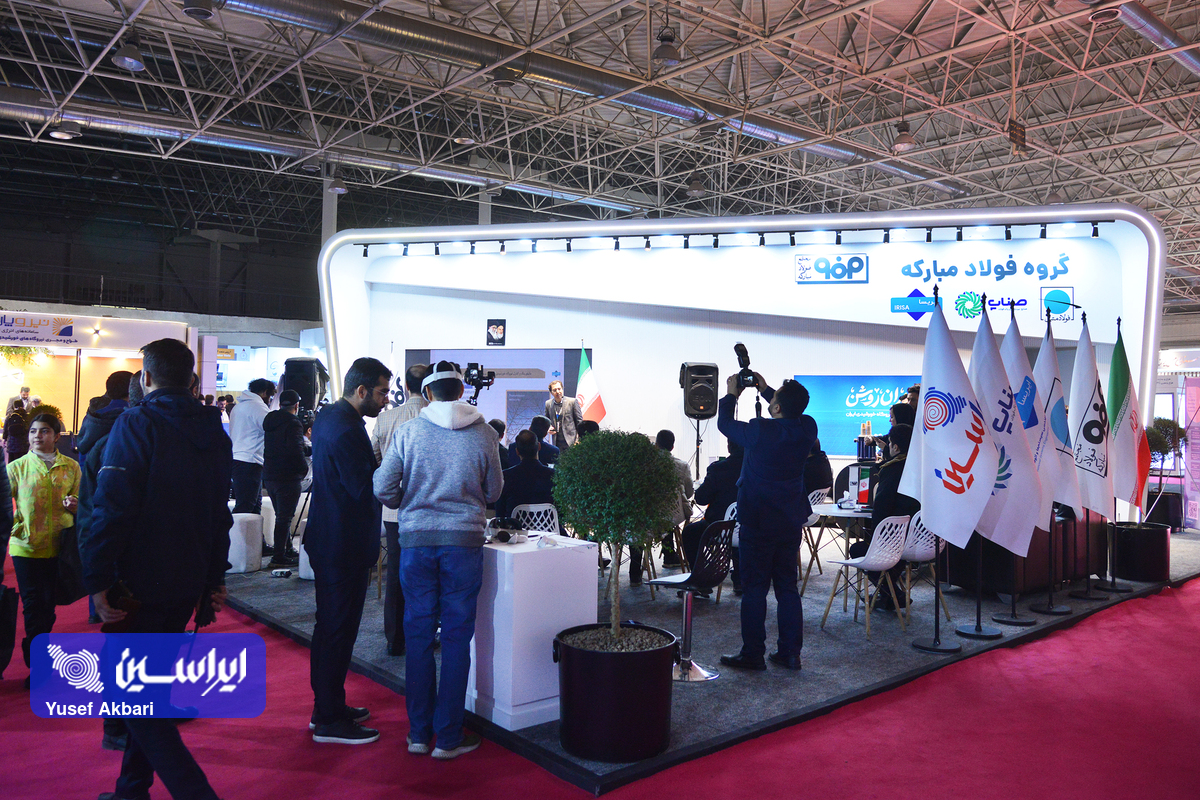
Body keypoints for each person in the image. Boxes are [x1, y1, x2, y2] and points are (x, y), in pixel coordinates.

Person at [81, 338, 232, 800]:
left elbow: (113, 508)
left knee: (132, 699)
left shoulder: (137, 422)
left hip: (138, 583)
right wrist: (213, 578)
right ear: (191, 380)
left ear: (146, 378)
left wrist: (98, 579)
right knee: (151, 693)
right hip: (186, 580)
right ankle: (131, 789)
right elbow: (218, 515)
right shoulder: (213, 429)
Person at [374, 361, 502, 759]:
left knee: (418, 634)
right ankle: (448, 737)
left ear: (427, 394)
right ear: (461, 392)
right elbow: (495, 491)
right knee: (457, 637)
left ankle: (418, 734)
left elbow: (382, 486)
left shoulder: (409, 431)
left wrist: (408, 502)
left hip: (416, 542)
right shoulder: (484, 433)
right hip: (463, 542)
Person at [306, 357, 391, 744]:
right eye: (382, 392)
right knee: (337, 631)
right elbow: (363, 489)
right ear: (361, 390)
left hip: (331, 538)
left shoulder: (330, 417)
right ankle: (328, 718)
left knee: (330, 629)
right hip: (343, 544)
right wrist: (393, 470)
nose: (385, 400)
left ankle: (328, 706)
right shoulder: (347, 429)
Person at [717, 371, 817, 672]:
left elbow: (724, 424)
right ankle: (790, 653)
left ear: (776, 407)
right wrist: (764, 389)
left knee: (755, 589)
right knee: (787, 587)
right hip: (790, 520)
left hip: (758, 520)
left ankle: (753, 654)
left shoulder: (760, 430)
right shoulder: (808, 427)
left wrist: (731, 393)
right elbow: (788, 408)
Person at [6, 413, 80, 684]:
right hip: (26, 547)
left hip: (60, 547)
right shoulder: (17, 467)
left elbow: (83, 499)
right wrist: (16, 525)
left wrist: (76, 504)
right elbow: (4, 504)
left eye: (45, 431)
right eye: (34, 431)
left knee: (48, 606)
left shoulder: (71, 467)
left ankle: (40, 654)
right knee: (33, 604)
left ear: (57, 436)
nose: (38, 436)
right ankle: (37, 666)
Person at [369, 363, 428, 658]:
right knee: (427, 575)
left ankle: (395, 639)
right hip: (429, 509)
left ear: (405, 386)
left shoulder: (385, 418)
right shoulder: (437, 417)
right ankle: (425, 635)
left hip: (394, 511)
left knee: (396, 574)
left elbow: (374, 459)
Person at [76, 370, 133, 626]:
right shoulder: (127, 418)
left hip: (89, 488)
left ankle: (94, 607)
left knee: (96, 543)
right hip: (112, 489)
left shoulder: (94, 414)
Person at [849, 423, 919, 611]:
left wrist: (874, 538)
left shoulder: (892, 469)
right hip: (918, 541)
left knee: (857, 549)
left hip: (894, 542)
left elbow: (881, 508)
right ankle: (888, 596)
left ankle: (894, 595)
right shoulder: (920, 467)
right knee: (892, 560)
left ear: (895, 447)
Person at [630, 430, 693, 580]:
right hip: (672, 515)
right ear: (672, 447)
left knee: (640, 521)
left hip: (640, 518)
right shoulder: (682, 466)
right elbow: (689, 492)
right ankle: (669, 555)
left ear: (656, 445)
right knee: (666, 512)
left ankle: (635, 571)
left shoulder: (639, 468)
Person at [681, 439, 744, 585]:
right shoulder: (758, 468)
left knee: (690, 533)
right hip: (752, 529)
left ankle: (701, 580)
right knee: (740, 532)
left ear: (729, 447)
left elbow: (701, 499)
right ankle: (740, 580)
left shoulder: (718, 469)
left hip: (718, 530)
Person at [262, 389, 308, 568]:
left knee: (282, 515)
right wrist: (303, 470)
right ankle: (278, 556)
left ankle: (287, 549)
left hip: (270, 475)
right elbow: (295, 450)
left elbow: (281, 445)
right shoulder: (293, 423)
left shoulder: (270, 420)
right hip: (288, 476)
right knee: (284, 517)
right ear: (296, 406)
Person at [229, 378, 275, 551]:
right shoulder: (257, 407)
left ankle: (256, 545)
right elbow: (271, 429)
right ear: (264, 393)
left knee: (253, 504)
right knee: (246, 506)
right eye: (270, 396)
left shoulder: (239, 406)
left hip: (239, 459)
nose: (270, 400)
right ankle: (235, 547)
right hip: (250, 461)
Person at [495, 430, 554, 517]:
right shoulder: (553, 476)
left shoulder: (505, 477)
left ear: (517, 451)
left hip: (514, 524)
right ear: (539, 446)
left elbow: (499, 513)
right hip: (547, 524)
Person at [544, 380, 584, 449]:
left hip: (572, 441)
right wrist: (549, 427)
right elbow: (546, 421)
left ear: (562, 389)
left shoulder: (572, 402)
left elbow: (580, 423)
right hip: (556, 442)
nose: (557, 392)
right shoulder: (548, 404)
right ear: (551, 392)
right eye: (554, 390)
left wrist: (578, 440)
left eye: (559, 389)